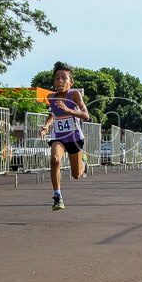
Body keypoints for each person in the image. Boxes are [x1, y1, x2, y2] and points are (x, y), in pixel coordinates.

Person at [39, 61, 90, 210]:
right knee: (54, 161)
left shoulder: (74, 94)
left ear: (71, 81)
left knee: (76, 175)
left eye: (64, 78)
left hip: (74, 138)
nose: (60, 81)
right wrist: (46, 126)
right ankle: (57, 196)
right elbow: (52, 113)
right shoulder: (51, 97)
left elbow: (86, 115)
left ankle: (83, 163)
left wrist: (69, 110)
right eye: (57, 78)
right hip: (59, 137)